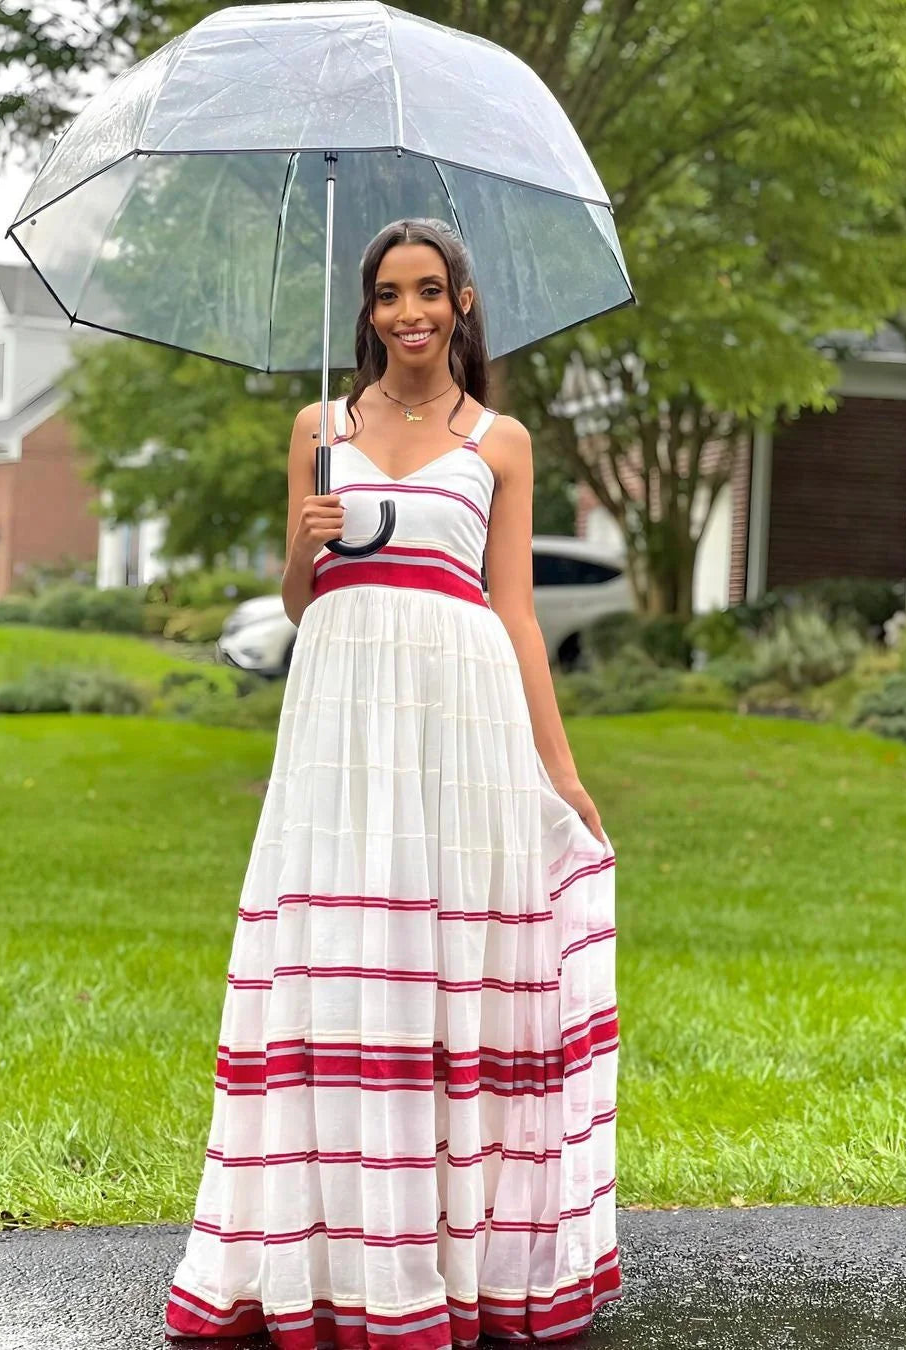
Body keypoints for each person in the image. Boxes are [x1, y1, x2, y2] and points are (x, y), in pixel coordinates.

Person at [164, 218, 621, 1348]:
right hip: (339, 718)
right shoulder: (318, 427)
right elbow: (296, 602)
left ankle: (451, 1253)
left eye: (428, 291)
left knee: (444, 961)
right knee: (341, 956)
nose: (407, 313)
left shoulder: (499, 441)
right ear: (365, 313)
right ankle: (329, 1257)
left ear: (462, 302)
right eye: (385, 295)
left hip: (459, 718)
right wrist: (305, 545)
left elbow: (513, 612)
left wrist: (558, 768)